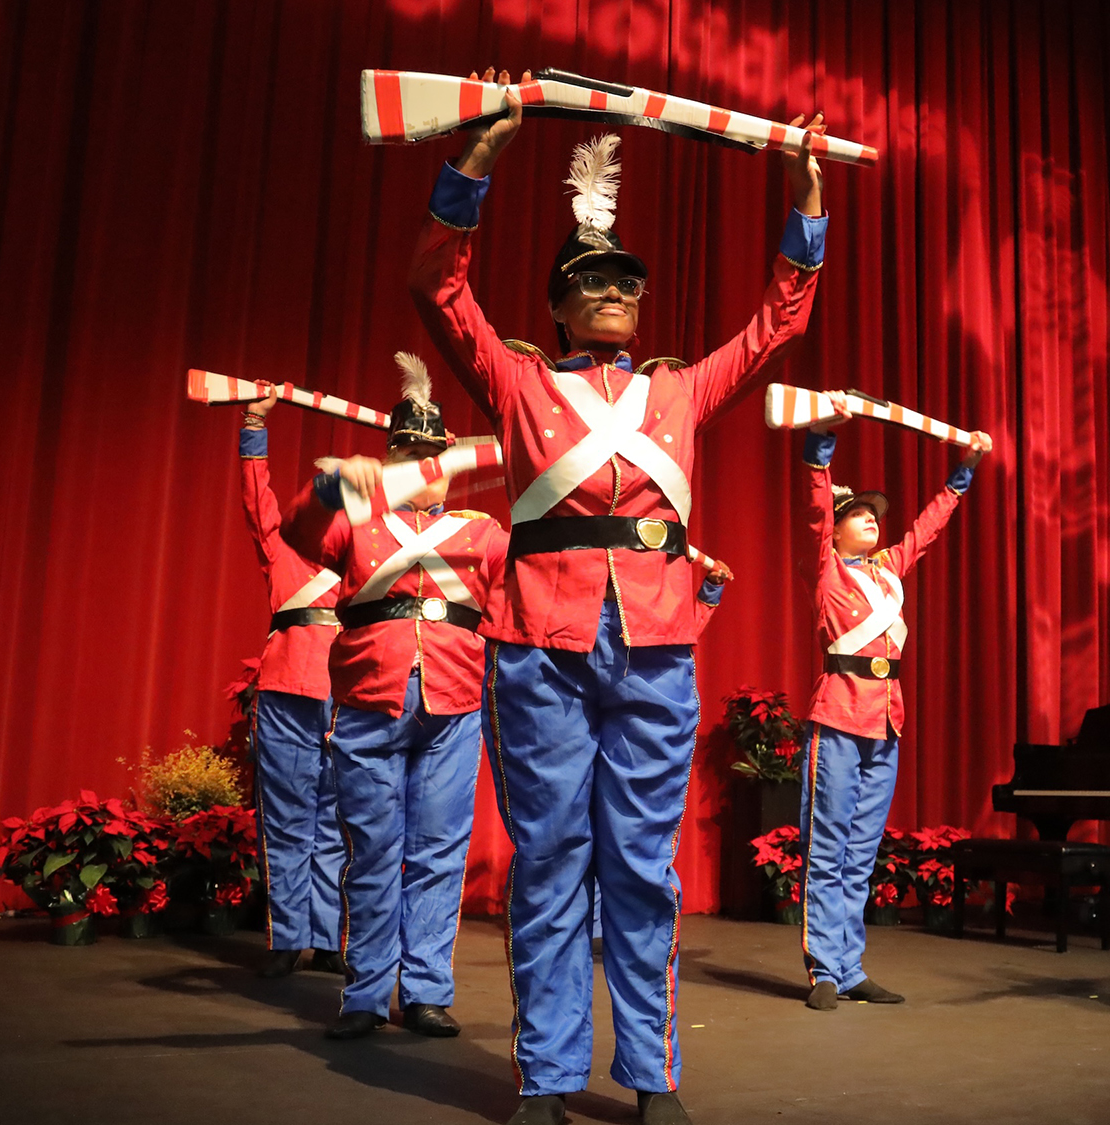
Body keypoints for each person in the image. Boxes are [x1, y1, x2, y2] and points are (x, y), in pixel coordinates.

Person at [408, 67, 827, 1125]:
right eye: (591, 278)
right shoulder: (515, 380)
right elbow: (436, 286)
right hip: (537, 640)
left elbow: (779, 323)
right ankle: (547, 1078)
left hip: (653, 642)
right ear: (554, 302)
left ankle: (651, 1076)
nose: (613, 289)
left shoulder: (680, 388)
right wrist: (482, 155)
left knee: (644, 868)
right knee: (548, 866)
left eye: (626, 280)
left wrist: (806, 198)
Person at [281, 355, 508, 1040]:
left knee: (440, 850)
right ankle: (367, 990)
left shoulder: (481, 530)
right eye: (409, 450)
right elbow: (297, 533)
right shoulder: (356, 519)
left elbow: (529, 579)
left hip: (455, 700)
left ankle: (428, 988)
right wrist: (329, 485)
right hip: (369, 700)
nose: (422, 463)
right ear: (390, 457)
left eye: (433, 452)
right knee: (374, 849)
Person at [795, 392, 989, 1010]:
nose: (872, 520)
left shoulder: (888, 571)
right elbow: (814, 512)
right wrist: (821, 448)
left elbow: (928, 528)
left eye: (876, 515)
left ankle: (851, 969)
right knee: (827, 847)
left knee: (863, 849)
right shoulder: (825, 568)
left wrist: (964, 472)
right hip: (838, 712)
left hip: (887, 719)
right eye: (859, 515)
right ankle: (824, 968)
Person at [239, 389, 346, 979]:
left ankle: (329, 936)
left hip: (348, 692)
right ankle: (287, 934)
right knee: (285, 815)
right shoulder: (278, 548)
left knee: (337, 819)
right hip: (286, 688)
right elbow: (258, 498)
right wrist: (255, 426)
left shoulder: (364, 548)